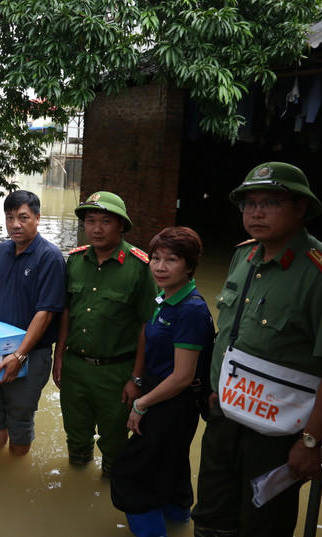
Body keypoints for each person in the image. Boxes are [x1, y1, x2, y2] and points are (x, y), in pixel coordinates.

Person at [192, 162, 322, 537]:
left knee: (262, 525)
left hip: (277, 435)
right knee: (209, 516)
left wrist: (311, 441)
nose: (256, 212)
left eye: (270, 202)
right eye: (249, 204)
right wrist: (213, 392)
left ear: (300, 207)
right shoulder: (244, 256)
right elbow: (230, 335)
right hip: (225, 416)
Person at [110, 227, 214, 537]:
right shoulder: (167, 298)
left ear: (190, 265)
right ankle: (178, 522)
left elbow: (182, 376)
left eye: (171, 259)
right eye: (155, 258)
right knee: (171, 464)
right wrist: (138, 380)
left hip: (173, 402)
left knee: (129, 473)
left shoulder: (191, 309)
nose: (160, 266)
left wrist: (141, 403)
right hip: (162, 393)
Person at [54, 191, 157, 473]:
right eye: (90, 221)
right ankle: (76, 486)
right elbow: (66, 312)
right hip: (75, 367)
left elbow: (148, 325)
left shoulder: (140, 267)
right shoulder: (74, 261)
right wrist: (58, 357)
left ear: (121, 225)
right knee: (75, 437)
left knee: (115, 445)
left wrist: (137, 377)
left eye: (105, 221)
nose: (96, 228)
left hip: (116, 372)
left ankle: (112, 495)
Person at [0, 190, 66, 455]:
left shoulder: (49, 257)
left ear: (37, 218)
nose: (15, 224)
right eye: (10, 217)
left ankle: (15, 472)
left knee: (20, 417)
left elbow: (45, 313)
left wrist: (20, 355)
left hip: (30, 355)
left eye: (23, 217)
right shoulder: (1, 251)